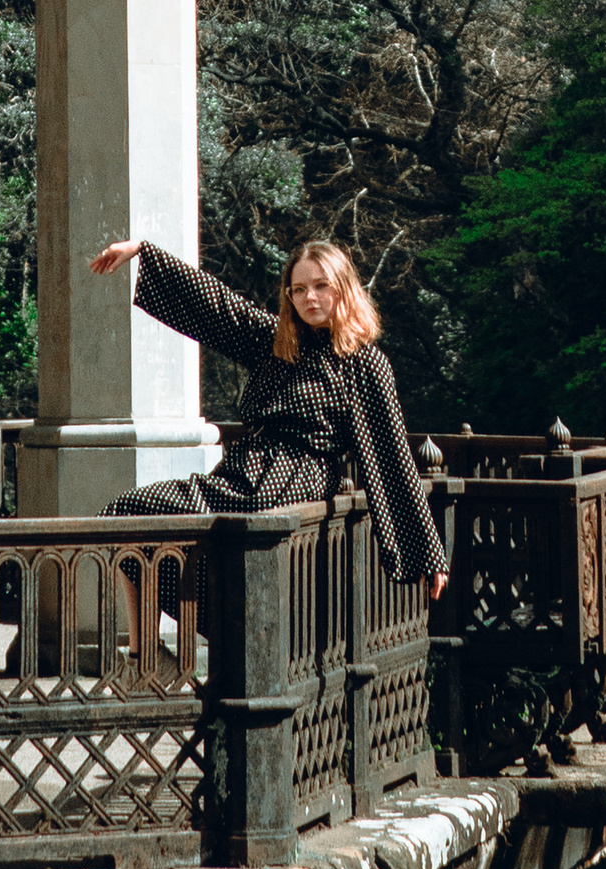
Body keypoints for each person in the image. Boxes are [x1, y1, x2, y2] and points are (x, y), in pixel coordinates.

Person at [90, 235, 448, 597]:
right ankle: (143, 635)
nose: (309, 297)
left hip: (295, 482)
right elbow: (220, 305)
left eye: (321, 286)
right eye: (299, 290)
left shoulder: (365, 363)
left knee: (230, 555)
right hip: (240, 475)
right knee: (127, 514)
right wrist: (143, 251)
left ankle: (214, 617)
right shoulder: (278, 341)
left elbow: (391, 455)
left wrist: (428, 553)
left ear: (342, 288)